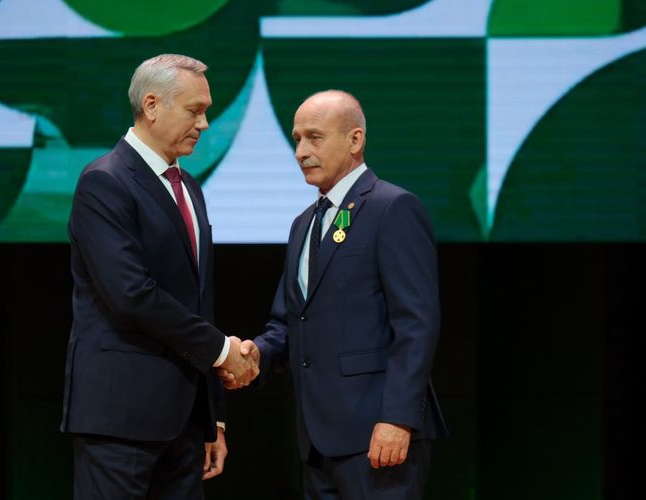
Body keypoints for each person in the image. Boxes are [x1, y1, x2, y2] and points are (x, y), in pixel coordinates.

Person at [223, 90, 448, 499]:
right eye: (296, 139)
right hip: (317, 442)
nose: (300, 152)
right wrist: (258, 354)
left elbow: (416, 324)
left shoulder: (392, 207)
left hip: (378, 436)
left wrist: (398, 418)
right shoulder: (304, 224)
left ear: (355, 140)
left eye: (314, 137)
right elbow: (289, 321)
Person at [60, 54, 258, 499]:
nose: (204, 123)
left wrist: (213, 417)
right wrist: (223, 351)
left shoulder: (189, 188)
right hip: (120, 421)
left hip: (185, 423)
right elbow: (131, 295)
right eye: (194, 110)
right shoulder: (105, 181)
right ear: (151, 105)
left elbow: (198, 302)